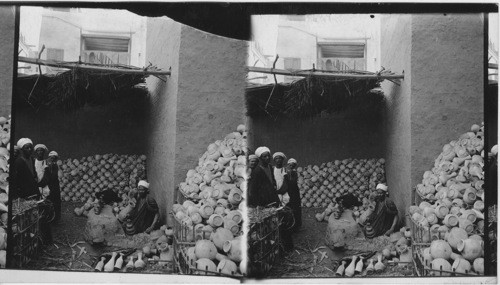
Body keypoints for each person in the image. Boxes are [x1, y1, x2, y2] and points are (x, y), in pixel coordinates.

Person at [279, 158, 302, 232]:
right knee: (288, 209)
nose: (291, 166)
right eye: (290, 165)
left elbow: (290, 184)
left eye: (293, 165)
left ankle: (295, 226)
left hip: (293, 192)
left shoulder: (294, 173)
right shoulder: (284, 171)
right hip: (288, 192)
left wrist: (279, 191)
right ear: (288, 164)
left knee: (295, 208)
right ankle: (289, 225)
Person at [38, 151, 62, 222]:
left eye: (54, 158)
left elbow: (52, 176)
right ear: (49, 157)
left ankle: (55, 218)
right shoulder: (45, 163)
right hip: (48, 185)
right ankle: (50, 218)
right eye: (51, 157)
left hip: (53, 185)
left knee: (55, 202)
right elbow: (44, 175)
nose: (52, 159)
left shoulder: (55, 165)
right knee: (48, 202)